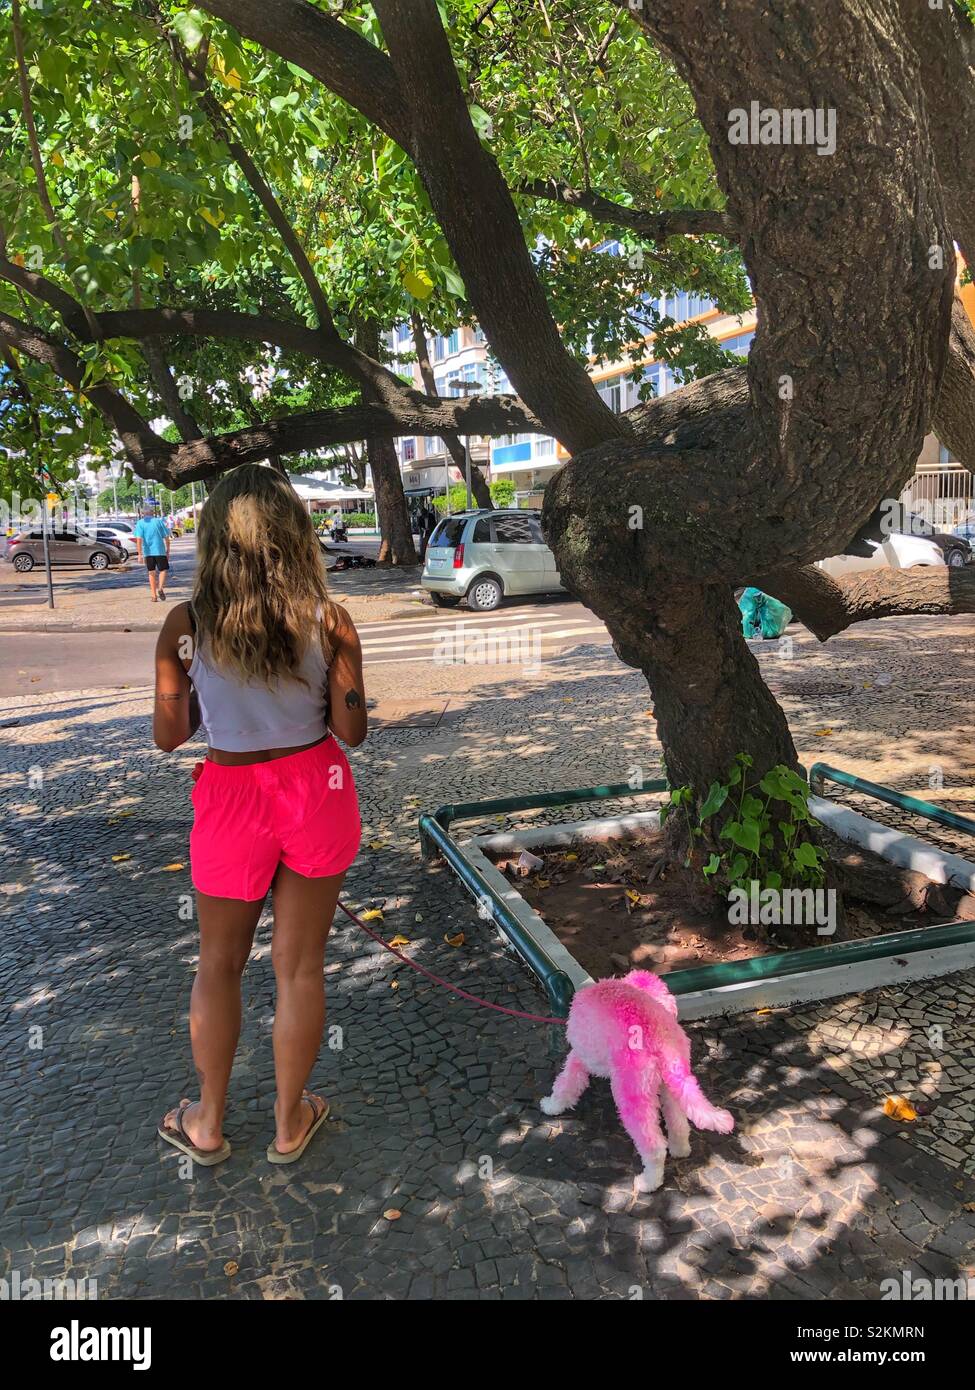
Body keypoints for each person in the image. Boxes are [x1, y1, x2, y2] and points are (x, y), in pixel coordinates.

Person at [152, 463, 366, 1166]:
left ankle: (207, 1122)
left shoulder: (185, 625)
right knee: (299, 967)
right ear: (294, 534)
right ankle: (288, 1121)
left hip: (230, 794)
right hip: (316, 786)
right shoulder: (330, 621)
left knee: (217, 964)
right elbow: (351, 728)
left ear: (214, 537)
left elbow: (169, 734)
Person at [133, 506, 171, 602]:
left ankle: (154, 596)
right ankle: (160, 588)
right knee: (163, 570)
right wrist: (168, 550)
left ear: (143, 514)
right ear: (153, 513)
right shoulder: (158, 521)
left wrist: (139, 554)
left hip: (148, 552)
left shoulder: (140, 523)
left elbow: (139, 539)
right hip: (160, 550)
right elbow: (166, 537)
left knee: (151, 572)